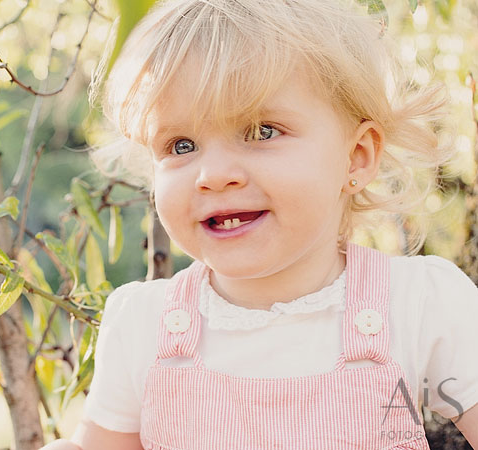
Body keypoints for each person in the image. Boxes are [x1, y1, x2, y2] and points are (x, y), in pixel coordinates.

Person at [43, 0, 478, 448]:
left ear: (356, 156)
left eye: (262, 131)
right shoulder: (143, 324)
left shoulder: (418, 305)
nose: (212, 175)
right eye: (181, 144)